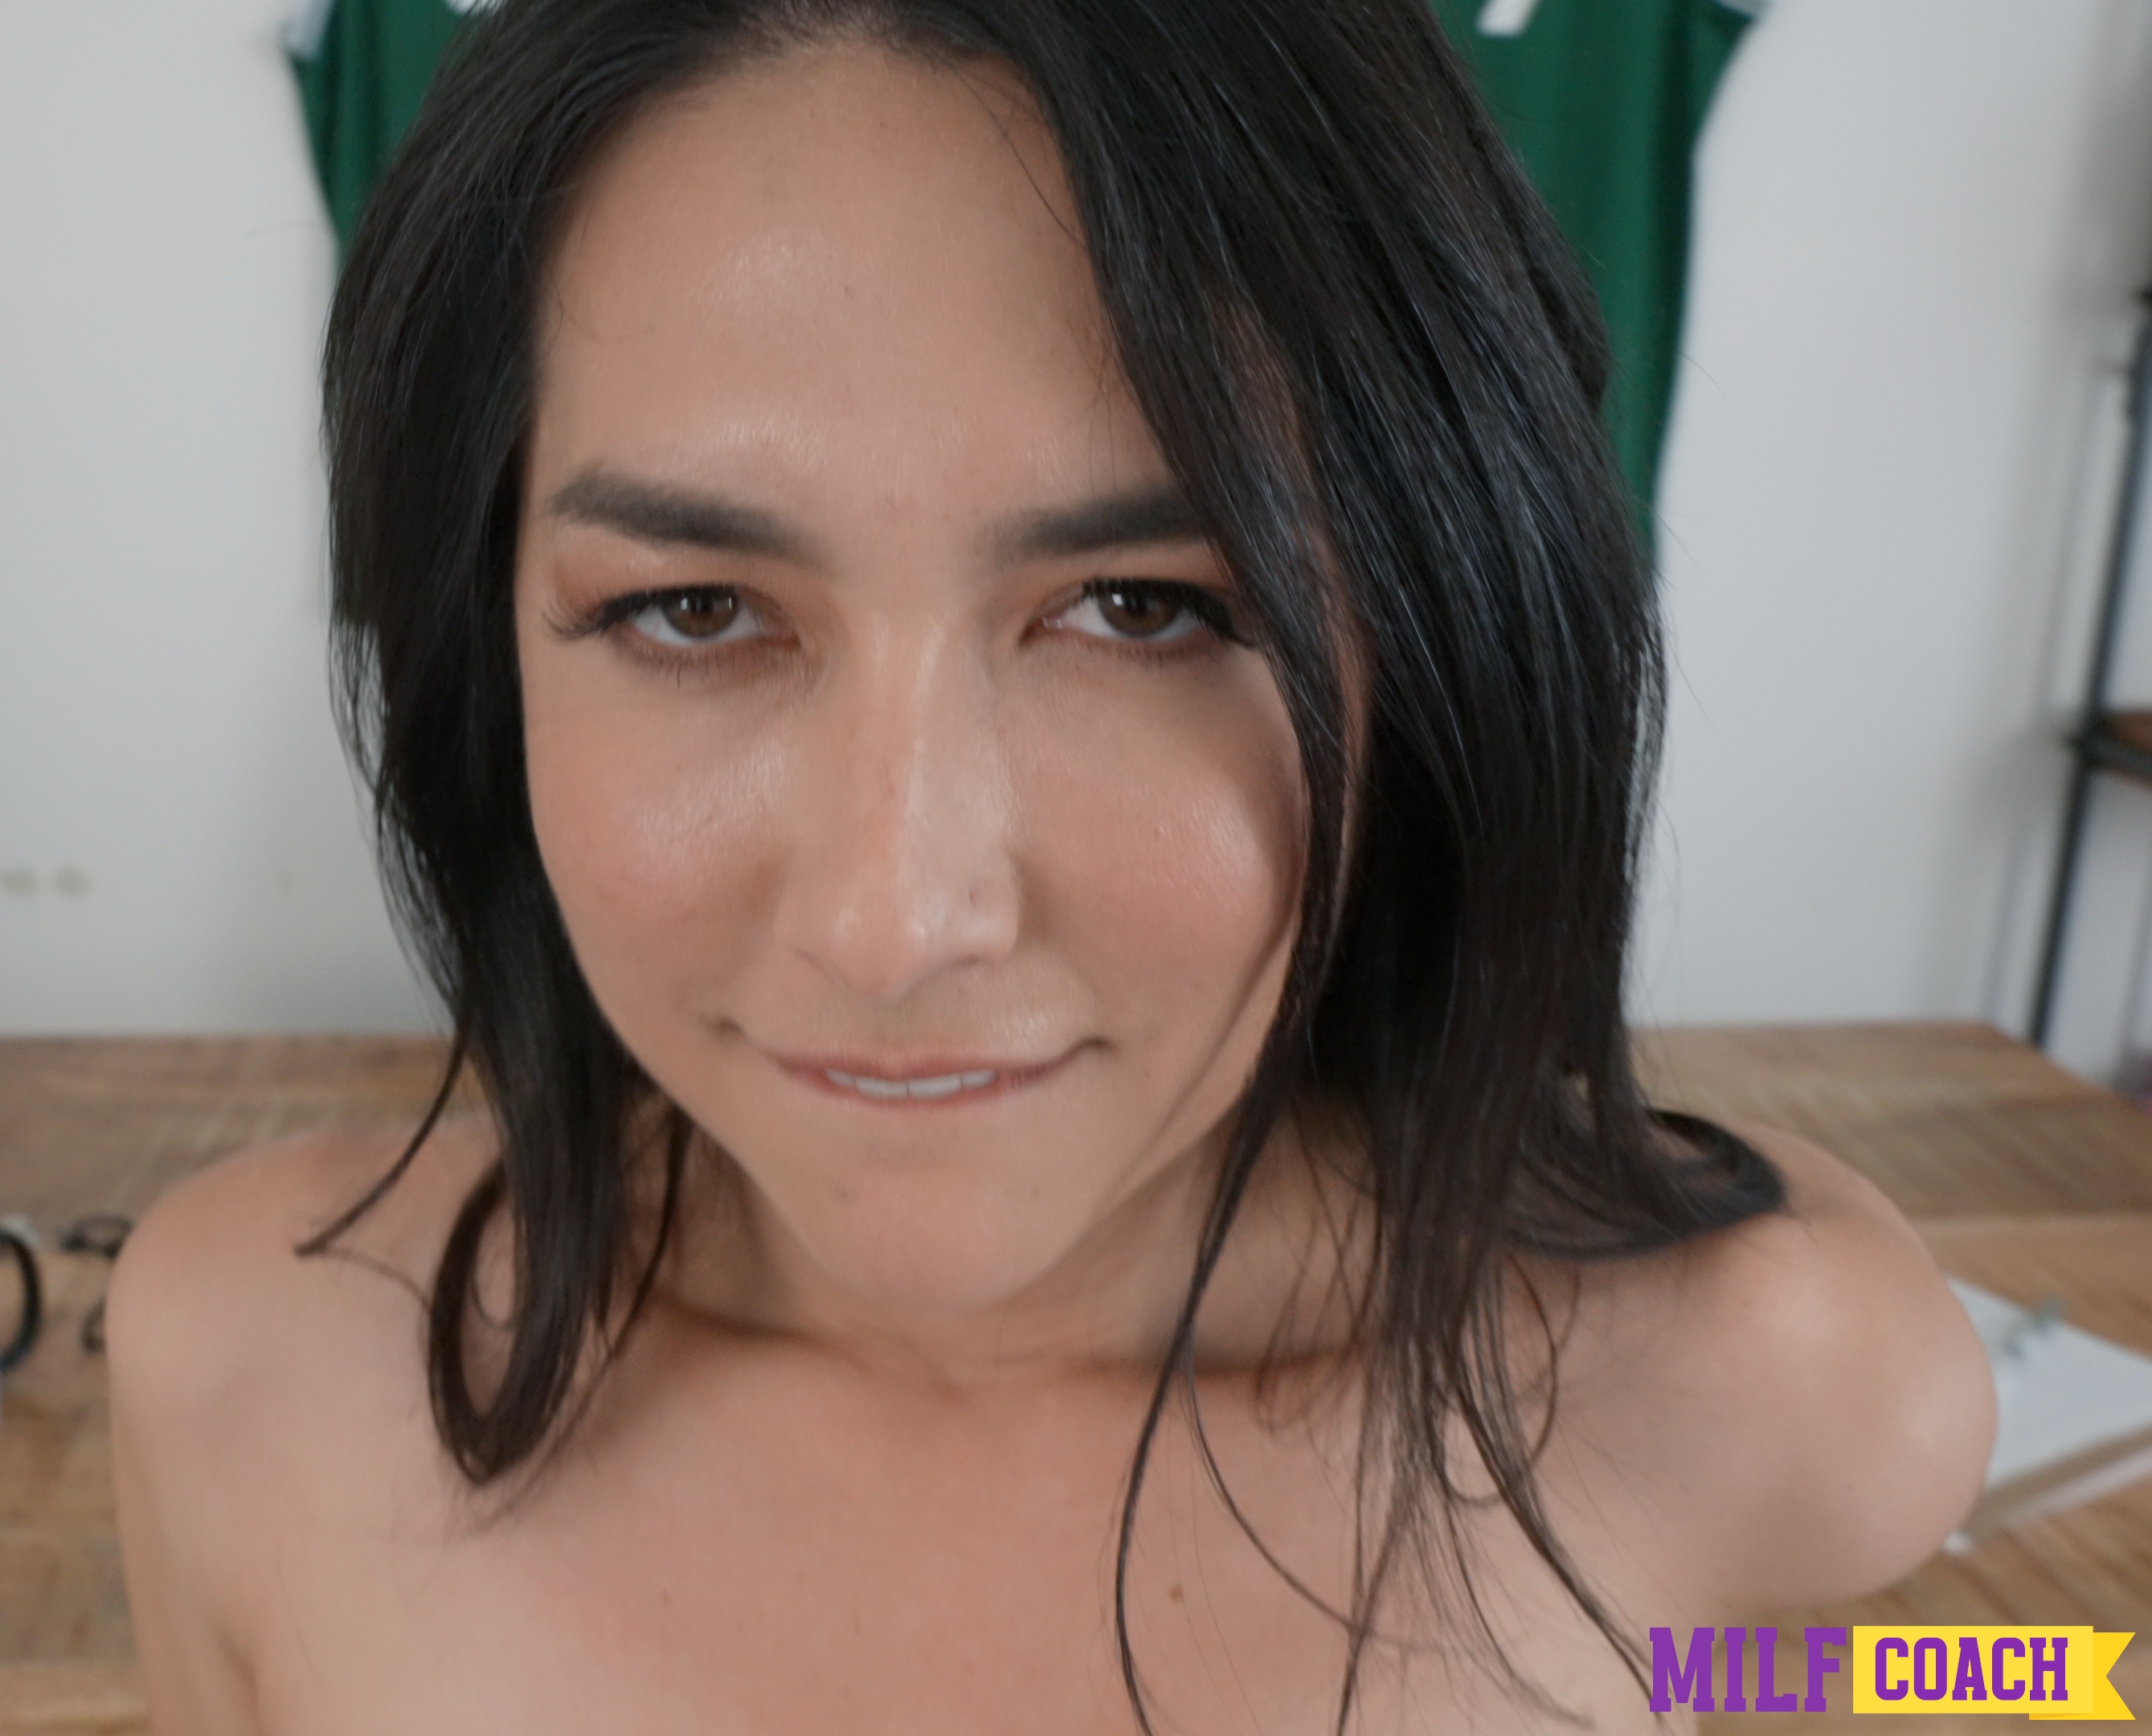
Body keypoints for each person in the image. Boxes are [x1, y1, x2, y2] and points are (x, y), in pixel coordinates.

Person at [107, 2, 1996, 1730]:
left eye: (1141, 606)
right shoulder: (246, 1368)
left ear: (1437, 648)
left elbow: (1964, 1684)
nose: (893, 921)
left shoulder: (1781, 1391)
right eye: (693, 609)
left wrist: (2000, 1686)